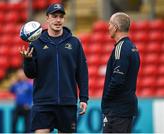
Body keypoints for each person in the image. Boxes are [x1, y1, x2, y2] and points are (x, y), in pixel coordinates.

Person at [20, 3, 88, 133]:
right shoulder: (36, 43)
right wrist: (28, 61)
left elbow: (82, 72)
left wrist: (84, 98)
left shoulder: (74, 42)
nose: (58, 20)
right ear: (47, 18)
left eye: (61, 17)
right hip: (43, 102)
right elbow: (31, 74)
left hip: (67, 102)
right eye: (54, 16)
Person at [101, 12, 140, 133]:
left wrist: (106, 99)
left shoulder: (121, 48)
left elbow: (117, 80)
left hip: (117, 110)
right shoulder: (133, 47)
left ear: (116, 27)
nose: (108, 28)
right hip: (125, 108)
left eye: (109, 25)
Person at [10, 69, 33, 133]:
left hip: (26, 107)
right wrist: (12, 84)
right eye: (19, 74)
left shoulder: (29, 84)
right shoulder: (16, 84)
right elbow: (11, 91)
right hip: (18, 106)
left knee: (27, 124)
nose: (20, 75)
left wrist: (29, 103)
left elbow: (32, 95)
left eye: (22, 74)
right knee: (14, 121)